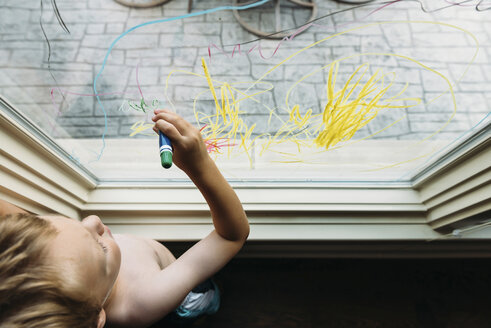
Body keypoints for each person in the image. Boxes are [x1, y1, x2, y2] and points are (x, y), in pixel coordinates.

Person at [0, 108, 250, 328]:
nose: (93, 221)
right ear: (98, 317)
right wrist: (200, 164)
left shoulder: (41, 254)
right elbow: (230, 236)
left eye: (45, 222)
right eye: (99, 247)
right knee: (207, 298)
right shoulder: (143, 301)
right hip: (184, 299)